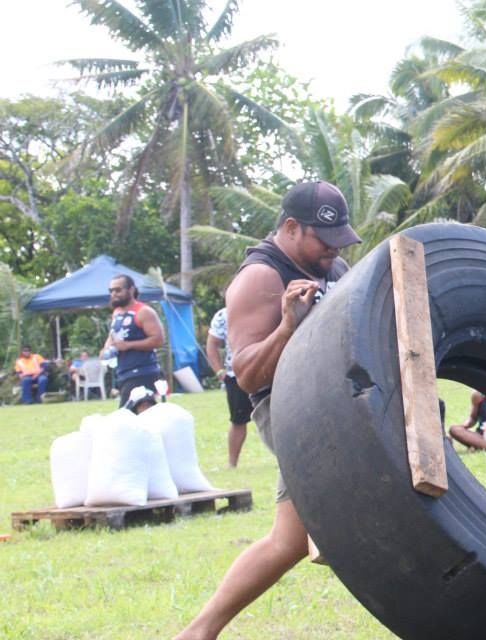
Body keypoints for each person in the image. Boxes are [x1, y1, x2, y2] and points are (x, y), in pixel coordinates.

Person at [176, 180, 360, 640]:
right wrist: (286, 328)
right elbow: (250, 376)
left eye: (339, 239)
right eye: (324, 239)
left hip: (336, 398)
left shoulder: (332, 264)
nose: (332, 251)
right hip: (290, 408)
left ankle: (198, 633)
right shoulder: (260, 278)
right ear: (292, 227)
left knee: (288, 541)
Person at [100, 274, 166, 408]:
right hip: (124, 372)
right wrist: (106, 349)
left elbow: (158, 340)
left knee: (130, 416)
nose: (114, 294)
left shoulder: (143, 312)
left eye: (118, 290)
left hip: (142, 372)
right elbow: (112, 335)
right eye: (111, 291)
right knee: (138, 417)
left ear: (131, 290)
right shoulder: (117, 312)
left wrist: (129, 345)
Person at [206, 307, 254, 468]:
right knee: (238, 420)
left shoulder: (265, 306)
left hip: (265, 369)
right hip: (236, 374)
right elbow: (212, 344)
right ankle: (232, 463)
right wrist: (220, 371)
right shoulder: (223, 315)